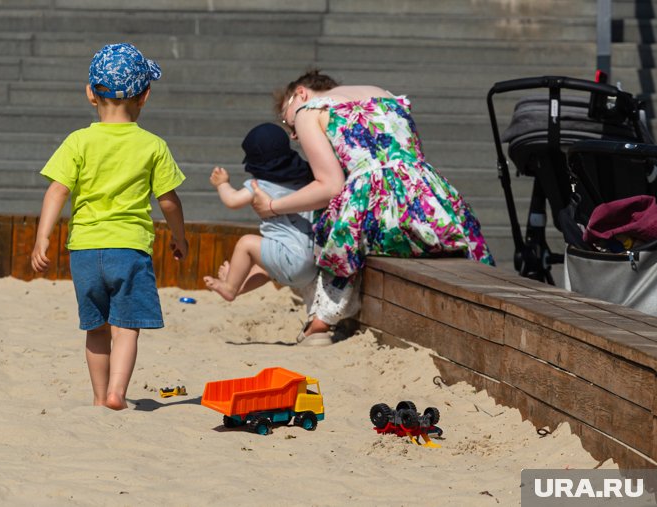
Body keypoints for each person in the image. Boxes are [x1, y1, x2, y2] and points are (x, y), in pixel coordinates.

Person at [252, 70, 494, 345]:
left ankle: (320, 321)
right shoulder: (384, 93)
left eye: (288, 120)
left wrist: (272, 206)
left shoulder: (310, 110)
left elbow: (329, 186)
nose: (293, 134)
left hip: (379, 215)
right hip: (432, 207)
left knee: (333, 218)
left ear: (301, 94)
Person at [31, 43, 188, 410]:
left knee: (95, 328)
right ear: (145, 96)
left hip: (84, 250)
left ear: (90, 93)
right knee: (126, 327)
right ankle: (118, 391)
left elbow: (58, 190)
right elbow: (169, 201)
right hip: (129, 248)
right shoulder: (152, 146)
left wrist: (43, 236)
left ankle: (100, 397)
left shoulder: (79, 141)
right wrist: (179, 237)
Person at [204, 124, 320, 327]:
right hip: (311, 264)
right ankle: (236, 286)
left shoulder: (259, 185)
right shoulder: (304, 178)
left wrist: (222, 184)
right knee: (264, 267)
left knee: (246, 243)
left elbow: (232, 201)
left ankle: (230, 287)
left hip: (291, 259)